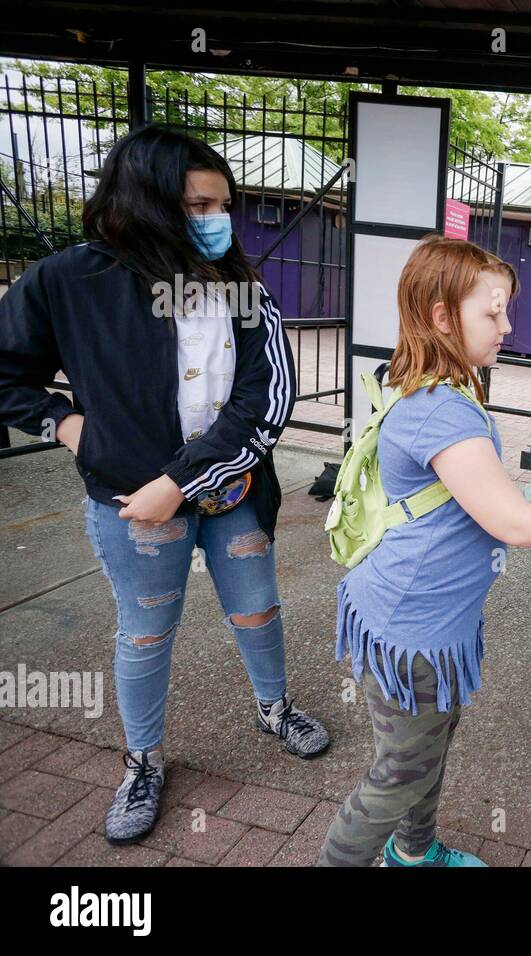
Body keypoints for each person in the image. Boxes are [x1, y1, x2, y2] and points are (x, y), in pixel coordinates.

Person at [0, 125, 329, 846]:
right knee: (146, 633)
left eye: (221, 205)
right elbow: (7, 374)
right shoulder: (67, 281)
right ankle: (142, 761)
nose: (213, 221)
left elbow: (265, 400)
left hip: (231, 493)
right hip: (131, 506)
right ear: (143, 201)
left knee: (258, 611)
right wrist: (64, 423)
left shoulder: (238, 288)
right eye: (195, 205)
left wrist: (178, 483)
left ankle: (274, 709)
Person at [317, 236, 531, 867]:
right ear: (443, 317)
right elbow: (516, 525)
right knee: (398, 775)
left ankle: (413, 855)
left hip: (418, 623)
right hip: (412, 631)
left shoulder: (428, 385)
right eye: (492, 313)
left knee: (423, 752)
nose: (507, 326)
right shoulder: (446, 410)